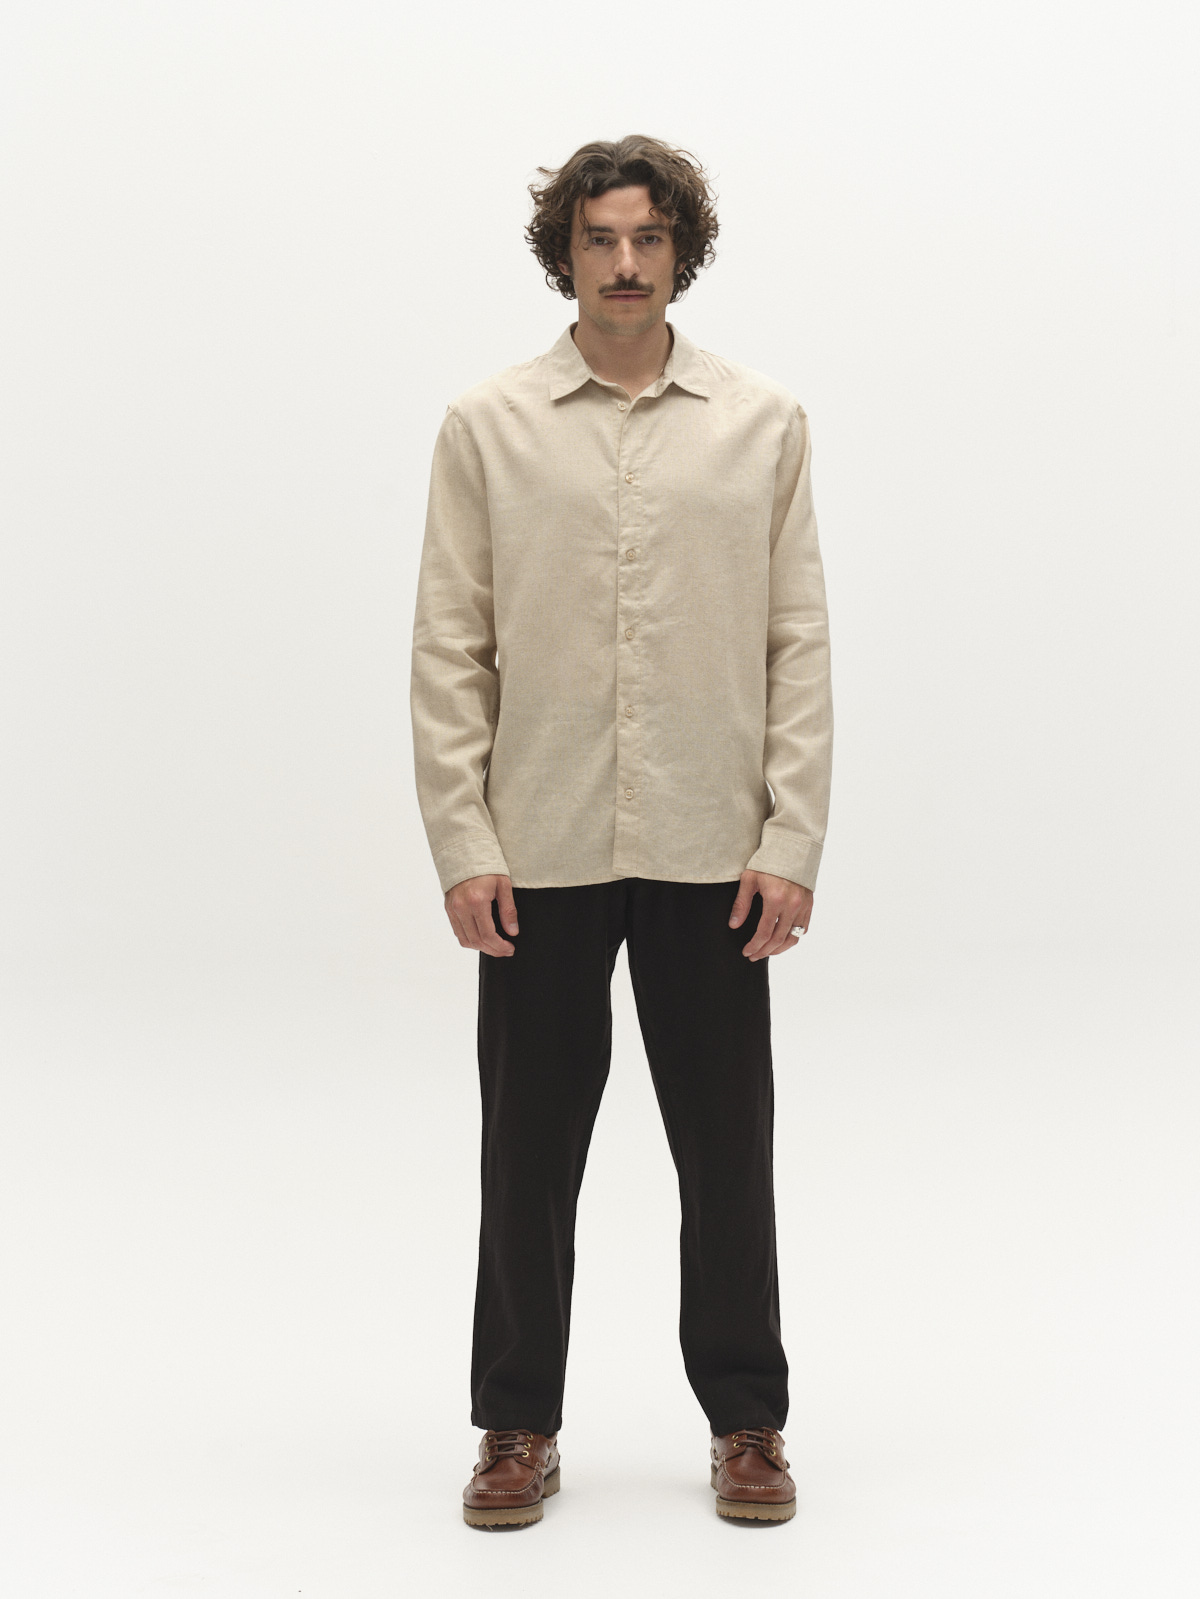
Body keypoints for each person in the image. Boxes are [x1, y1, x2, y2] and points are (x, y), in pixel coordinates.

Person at [409, 134, 833, 1528]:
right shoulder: (488, 426)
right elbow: (450, 644)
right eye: (601, 239)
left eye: (649, 238)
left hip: (715, 842)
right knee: (527, 1150)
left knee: (729, 1149)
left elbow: (797, 639)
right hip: (540, 842)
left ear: (681, 251)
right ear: (567, 254)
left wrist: (792, 838)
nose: (627, 263)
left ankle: (749, 1421)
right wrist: (465, 842)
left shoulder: (763, 424)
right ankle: (516, 1425)